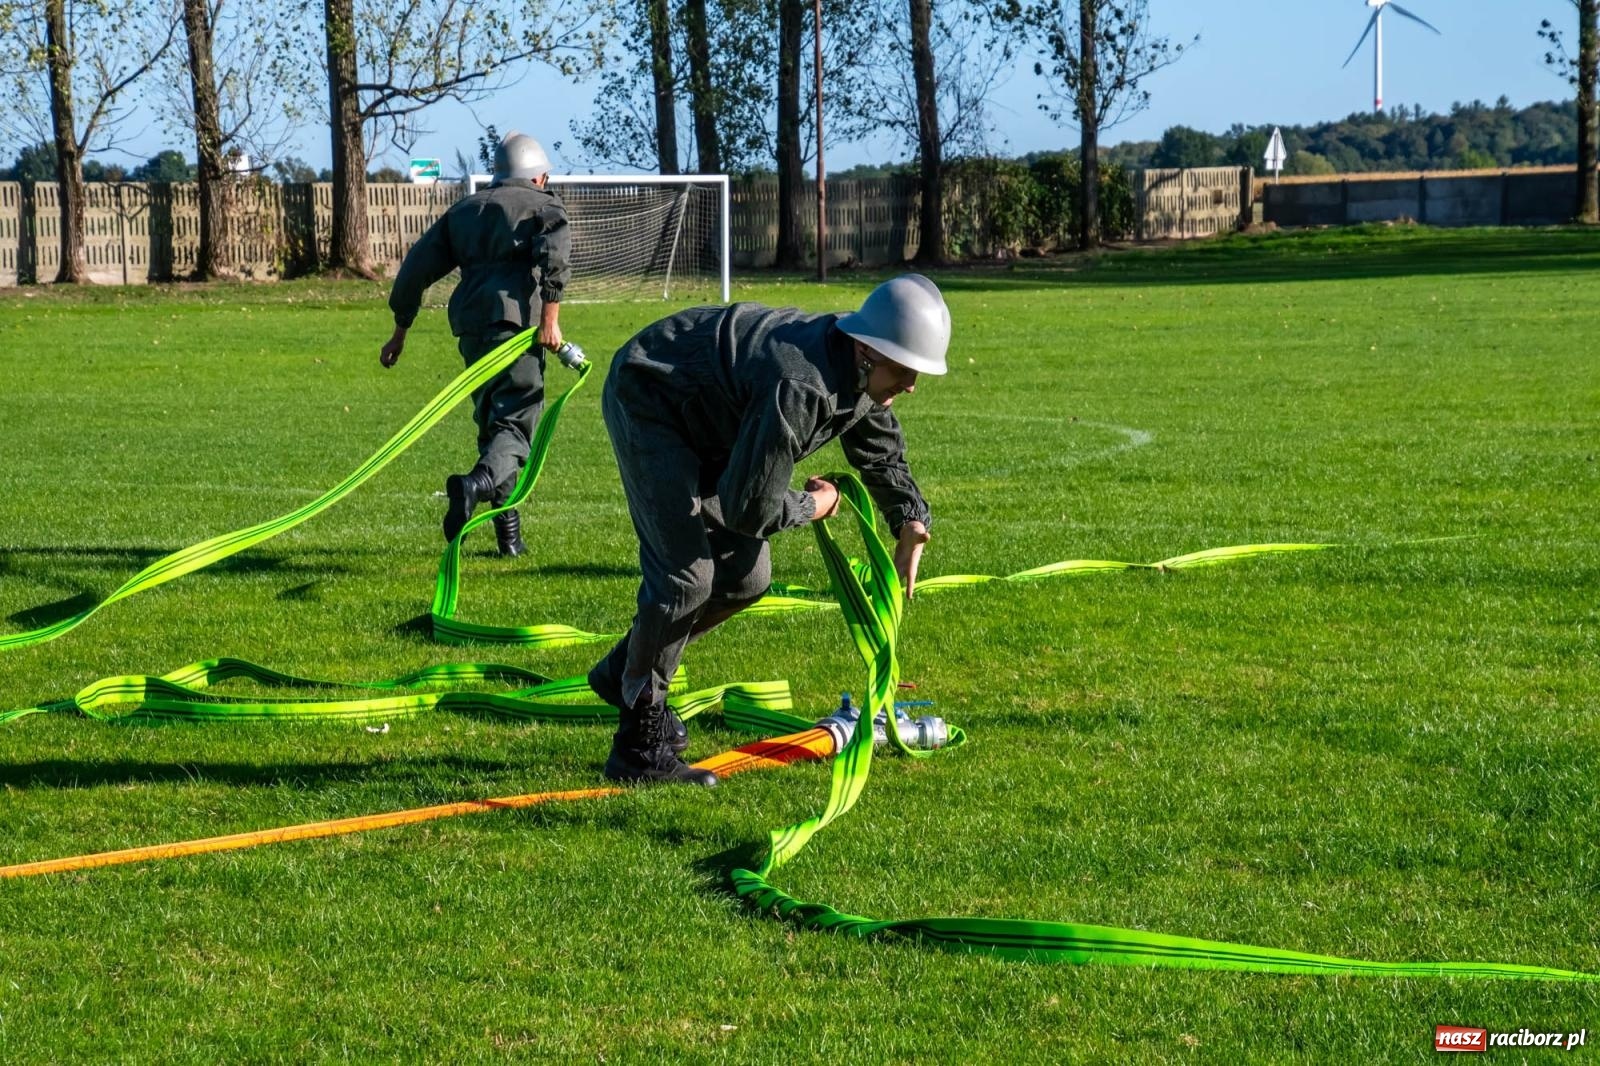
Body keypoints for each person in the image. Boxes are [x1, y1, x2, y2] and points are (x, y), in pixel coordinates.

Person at [588, 274, 951, 787]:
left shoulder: (862, 372)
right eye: (905, 370)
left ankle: (623, 673)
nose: (911, 385)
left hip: (710, 421)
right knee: (686, 578)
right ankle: (637, 747)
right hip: (651, 397)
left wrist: (910, 519)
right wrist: (815, 505)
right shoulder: (801, 384)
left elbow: (880, 450)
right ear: (868, 351)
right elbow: (748, 506)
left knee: (746, 578)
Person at [379, 132, 571, 557]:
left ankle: (509, 540)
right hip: (515, 326)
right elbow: (553, 260)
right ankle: (475, 485)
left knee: (492, 422)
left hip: (470, 329)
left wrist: (401, 329)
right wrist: (550, 322)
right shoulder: (544, 206)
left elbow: (416, 268)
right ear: (537, 177)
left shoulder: (465, 209)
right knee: (516, 425)